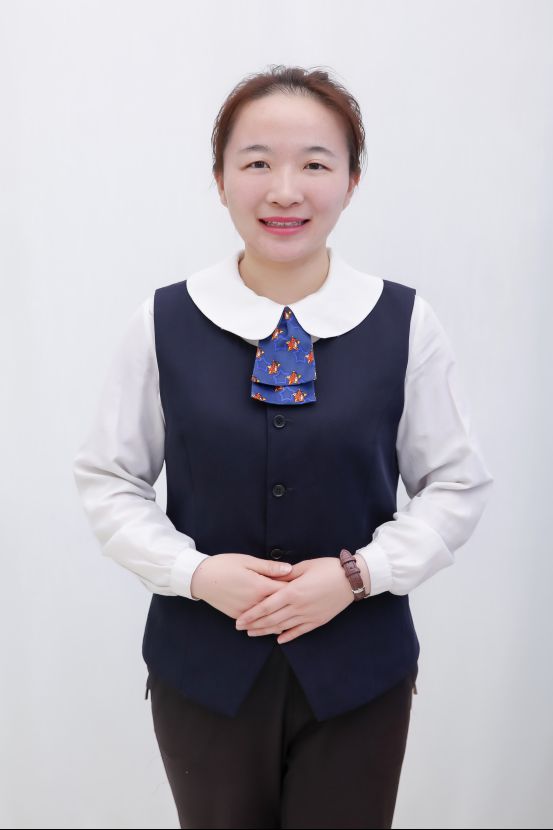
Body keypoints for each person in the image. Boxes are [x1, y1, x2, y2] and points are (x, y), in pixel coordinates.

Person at [73, 64, 494, 830]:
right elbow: (109, 478)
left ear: (352, 181)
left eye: (315, 165)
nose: (284, 191)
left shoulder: (404, 322)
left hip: (358, 674)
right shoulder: (163, 321)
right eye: (257, 162)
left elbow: (454, 483)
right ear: (219, 178)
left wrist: (358, 575)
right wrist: (195, 573)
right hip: (203, 672)